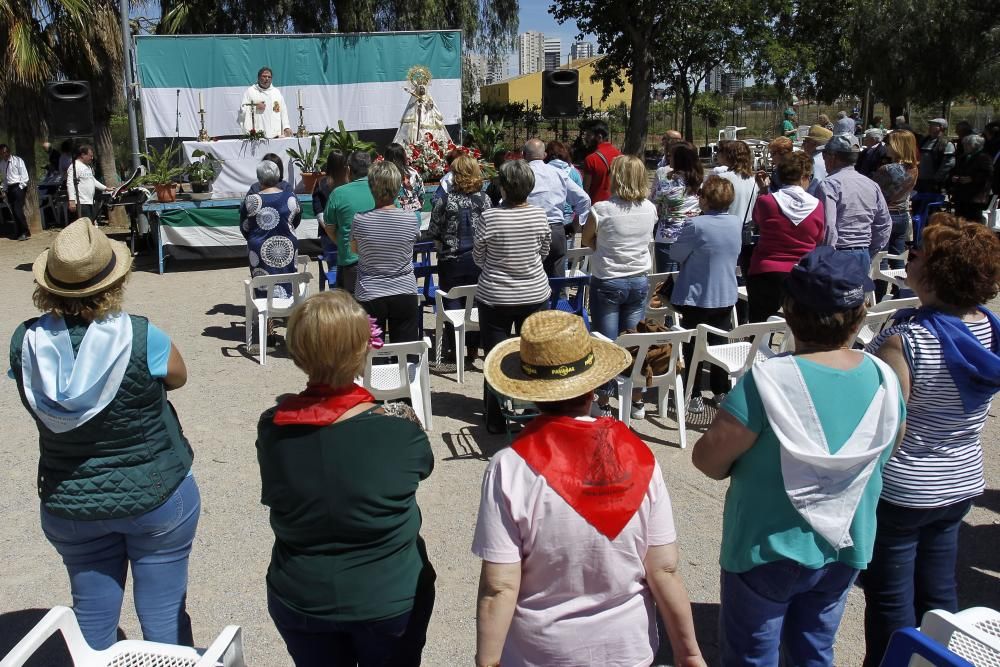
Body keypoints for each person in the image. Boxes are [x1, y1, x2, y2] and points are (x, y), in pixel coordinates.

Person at [692, 246, 905, 667]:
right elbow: (889, 450)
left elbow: (708, 460)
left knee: (752, 654)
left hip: (765, 548)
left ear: (789, 311)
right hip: (845, 543)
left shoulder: (767, 381)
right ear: (861, 314)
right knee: (814, 648)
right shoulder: (885, 378)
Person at [474, 310, 706, 667]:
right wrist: (688, 651)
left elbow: (500, 586)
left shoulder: (509, 467)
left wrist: (486, 661)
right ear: (593, 386)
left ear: (530, 391)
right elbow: (664, 569)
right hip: (626, 649)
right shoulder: (639, 456)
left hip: (540, 653)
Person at [10, 219, 199, 650]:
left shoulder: (27, 344)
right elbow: (178, 377)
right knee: (163, 612)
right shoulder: (139, 335)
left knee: (92, 615)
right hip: (155, 489)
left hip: (69, 498)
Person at [257, 290, 435, 667]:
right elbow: (422, 467)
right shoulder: (398, 424)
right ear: (363, 349)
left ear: (297, 351)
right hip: (388, 596)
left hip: (301, 595)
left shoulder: (272, 427)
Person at [861, 213, 1000, 666]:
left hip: (905, 487)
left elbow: (888, 425)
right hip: (961, 479)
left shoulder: (907, 340)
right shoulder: (988, 330)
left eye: (918, 252)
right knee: (939, 589)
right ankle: (940, 658)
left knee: (889, 596)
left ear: (938, 273)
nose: (911, 255)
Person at [474, 159, 551, 433]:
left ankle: (495, 416)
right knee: (535, 356)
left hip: (496, 295)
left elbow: (479, 257)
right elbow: (544, 253)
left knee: (494, 356)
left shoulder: (490, 217)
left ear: (504, 188)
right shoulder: (540, 215)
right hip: (534, 293)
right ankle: (534, 410)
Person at [582, 154, 658, 419]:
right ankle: (636, 399)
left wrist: (603, 250)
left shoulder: (602, 209)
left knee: (606, 342)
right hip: (638, 277)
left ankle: (604, 398)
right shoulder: (650, 208)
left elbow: (586, 238)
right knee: (635, 340)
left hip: (608, 278)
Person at [670, 176, 743, 414]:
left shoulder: (696, 225)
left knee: (693, 346)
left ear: (706, 199)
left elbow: (676, 253)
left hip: (696, 294)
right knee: (720, 341)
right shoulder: (736, 222)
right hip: (725, 292)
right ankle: (720, 389)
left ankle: (694, 393)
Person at [424, 154, 491, 361]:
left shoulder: (444, 200)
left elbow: (434, 230)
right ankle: (472, 347)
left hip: (451, 259)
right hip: (479, 260)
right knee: (477, 303)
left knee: (451, 302)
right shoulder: (484, 199)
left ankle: (454, 347)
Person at [747, 152, 826, 322]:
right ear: (805, 177)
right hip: (802, 271)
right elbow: (819, 238)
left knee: (759, 324)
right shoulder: (817, 205)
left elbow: (757, 221)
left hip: (766, 269)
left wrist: (763, 191)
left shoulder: (766, 201)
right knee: (800, 325)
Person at [351, 161, 421, 344]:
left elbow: (355, 250)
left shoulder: (359, 220)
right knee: (406, 352)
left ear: (372, 187)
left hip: (370, 291)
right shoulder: (411, 219)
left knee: (372, 351)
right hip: (404, 290)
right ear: (397, 186)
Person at [240, 160, 301, 343]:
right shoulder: (290, 197)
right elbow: (296, 219)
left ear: (259, 179)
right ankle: (291, 330)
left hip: (259, 248)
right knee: (288, 282)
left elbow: (244, 225)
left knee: (263, 287)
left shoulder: (252, 200)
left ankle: (269, 332)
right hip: (287, 246)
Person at [816, 135, 892, 276]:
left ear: (832, 157)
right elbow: (884, 224)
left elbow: (828, 227)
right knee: (856, 297)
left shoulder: (829, 185)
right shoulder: (871, 184)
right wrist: (869, 251)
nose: (824, 159)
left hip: (837, 254)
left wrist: (825, 257)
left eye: (824, 155)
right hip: (862, 253)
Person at [523, 138, 591, 277]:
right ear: (544, 155)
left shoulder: (521, 174)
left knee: (530, 279)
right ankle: (559, 298)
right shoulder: (558, 173)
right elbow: (584, 200)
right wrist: (575, 226)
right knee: (557, 280)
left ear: (524, 155)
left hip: (529, 231)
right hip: (556, 231)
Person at [872, 129, 919, 297]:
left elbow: (874, 192)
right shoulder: (913, 169)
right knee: (898, 259)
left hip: (886, 216)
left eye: (889, 144)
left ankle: (879, 296)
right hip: (902, 215)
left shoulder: (887, 169)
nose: (886, 147)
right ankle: (901, 293)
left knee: (881, 260)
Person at [323, 151, 375, 294]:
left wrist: (341, 242)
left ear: (349, 170)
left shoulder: (338, 193)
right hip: (380, 260)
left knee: (351, 311)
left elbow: (330, 228)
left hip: (351, 261)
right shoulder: (382, 189)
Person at [650, 142, 702, 272]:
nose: (668, 158)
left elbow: (653, 202)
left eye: (671, 156)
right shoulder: (701, 182)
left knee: (666, 283)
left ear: (679, 159)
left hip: (668, 238)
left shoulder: (666, 183)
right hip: (692, 236)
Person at [544, 140, 584, 247]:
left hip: (549, 215)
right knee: (564, 253)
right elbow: (582, 198)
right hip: (567, 216)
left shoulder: (543, 171)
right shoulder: (574, 173)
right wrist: (576, 224)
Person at [947, 133, 994, 222]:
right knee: (960, 219)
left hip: (975, 195)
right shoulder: (963, 157)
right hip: (961, 195)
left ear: (975, 145)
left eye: (967, 144)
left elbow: (988, 174)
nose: (964, 146)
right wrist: (954, 177)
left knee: (973, 220)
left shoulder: (984, 157)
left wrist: (972, 178)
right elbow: (954, 170)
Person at [238, 66, 292, 138]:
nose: (267, 79)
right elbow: (243, 109)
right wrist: (255, 107)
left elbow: (283, 111)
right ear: (258, 77)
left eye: (269, 77)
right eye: (264, 76)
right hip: (258, 135)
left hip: (275, 135)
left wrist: (286, 127)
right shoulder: (250, 91)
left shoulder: (276, 92)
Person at [714, 140, 758, 228]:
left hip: (726, 227)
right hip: (747, 228)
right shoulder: (753, 180)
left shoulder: (721, 178)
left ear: (729, 156)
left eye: (722, 151)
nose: (718, 154)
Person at [582, 120, 622, 202]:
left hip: (596, 207)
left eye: (588, 135)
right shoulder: (620, 156)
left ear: (599, 137)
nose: (586, 138)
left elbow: (585, 190)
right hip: (617, 204)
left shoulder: (591, 159)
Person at [66, 144, 107, 222]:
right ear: (83, 155)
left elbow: (92, 180)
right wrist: (72, 200)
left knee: (90, 225)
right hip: (81, 203)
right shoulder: (74, 167)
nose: (92, 158)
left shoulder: (88, 167)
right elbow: (70, 183)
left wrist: (105, 188)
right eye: (90, 156)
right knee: (83, 227)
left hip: (89, 201)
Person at [384, 142, 426, 213]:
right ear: (403, 156)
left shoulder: (383, 175)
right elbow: (421, 194)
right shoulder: (412, 172)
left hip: (393, 215)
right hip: (414, 214)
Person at [312, 149, 348, 231]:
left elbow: (318, 209)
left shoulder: (321, 183)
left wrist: (329, 231)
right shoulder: (349, 183)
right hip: (346, 231)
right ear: (344, 165)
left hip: (327, 231)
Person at [0, 143, 31, 240]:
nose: (4, 154)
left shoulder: (17, 160)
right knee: (13, 210)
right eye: (2, 153)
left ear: (9, 152)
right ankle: (18, 231)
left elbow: (24, 175)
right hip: (10, 188)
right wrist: (4, 190)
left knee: (18, 210)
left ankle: (26, 232)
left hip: (18, 186)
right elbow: (5, 179)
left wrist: (20, 187)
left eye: (5, 152)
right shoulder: (2, 164)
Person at [916, 118, 955, 193]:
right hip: (919, 180)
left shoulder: (946, 143)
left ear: (942, 128)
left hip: (933, 183)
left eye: (934, 125)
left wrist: (936, 179)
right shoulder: (924, 141)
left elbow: (948, 164)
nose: (930, 127)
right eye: (930, 125)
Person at [801, 125, 833, 195]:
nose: (803, 144)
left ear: (814, 144)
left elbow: (813, 189)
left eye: (806, 141)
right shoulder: (825, 158)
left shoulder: (815, 162)